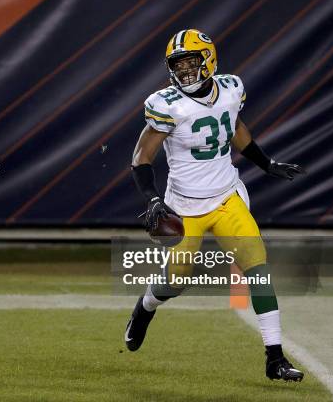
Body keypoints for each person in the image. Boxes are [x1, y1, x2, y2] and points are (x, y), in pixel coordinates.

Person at [124, 29, 305, 382]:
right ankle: (144, 307)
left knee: (258, 269)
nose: (185, 72)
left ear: (208, 59)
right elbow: (141, 155)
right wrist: (153, 198)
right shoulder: (166, 104)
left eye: (191, 63)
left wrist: (265, 162)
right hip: (185, 207)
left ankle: (275, 358)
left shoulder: (231, 88)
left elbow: (235, 127)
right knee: (175, 282)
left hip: (225, 197)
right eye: (178, 66)